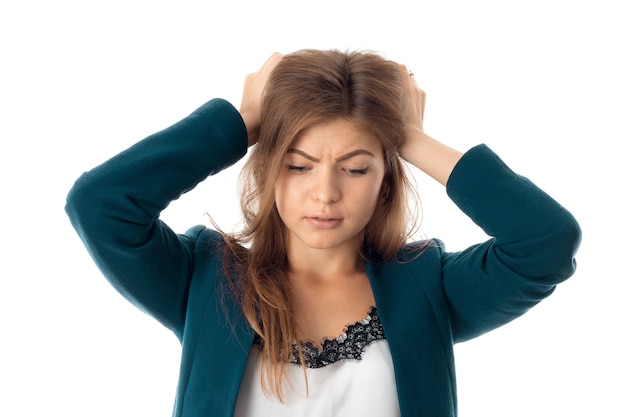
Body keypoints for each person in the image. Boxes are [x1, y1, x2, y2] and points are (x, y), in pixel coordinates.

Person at [65, 49, 581, 417]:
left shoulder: (427, 287)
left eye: (356, 169)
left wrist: (411, 138)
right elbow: (99, 205)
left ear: (385, 179)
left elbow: (546, 242)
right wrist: (240, 123)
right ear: (269, 169)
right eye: (298, 165)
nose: (325, 193)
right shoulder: (206, 280)